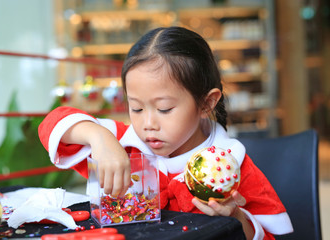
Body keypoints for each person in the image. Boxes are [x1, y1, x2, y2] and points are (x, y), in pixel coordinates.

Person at [38, 27, 293, 240]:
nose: (148, 123)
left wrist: (235, 218)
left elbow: (267, 234)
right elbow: (50, 125)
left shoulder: (231, 166)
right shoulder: (124, 145)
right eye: (136, 108)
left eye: (164, 109)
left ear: (206, 103)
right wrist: (100, 139)